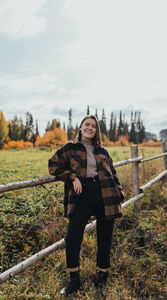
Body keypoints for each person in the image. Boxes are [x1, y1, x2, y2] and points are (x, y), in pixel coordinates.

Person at [48, 115, 124, 296]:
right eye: (86, 125)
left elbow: (113, 174)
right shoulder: (70, 148)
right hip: (82, 196)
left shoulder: (103, 151)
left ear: (96, 131)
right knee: (72, 238)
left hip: (105, 195)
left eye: (93, 126)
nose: (90, 128)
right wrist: (72, 177)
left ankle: (102, 279)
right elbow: (53, 166)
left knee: (104, 239)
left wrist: (119, 193)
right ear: (80, 128)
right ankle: (74, 280)